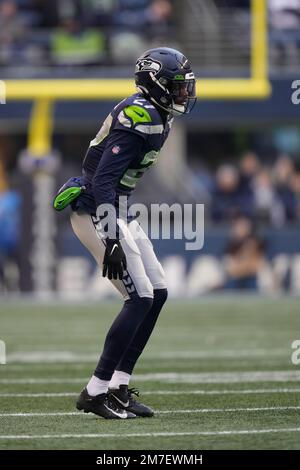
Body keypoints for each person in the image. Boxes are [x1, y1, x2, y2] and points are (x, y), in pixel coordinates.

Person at [53, 47, 196, 419]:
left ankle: (118, 385)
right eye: (178, 87)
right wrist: (112, 238)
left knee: (158, 292)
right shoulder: (140, 115)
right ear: (157, 85)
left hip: (117, 207)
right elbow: (101, 182)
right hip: (97, 210)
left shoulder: (158, 114)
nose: (184, 94)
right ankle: (95, 390)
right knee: (140, 298)